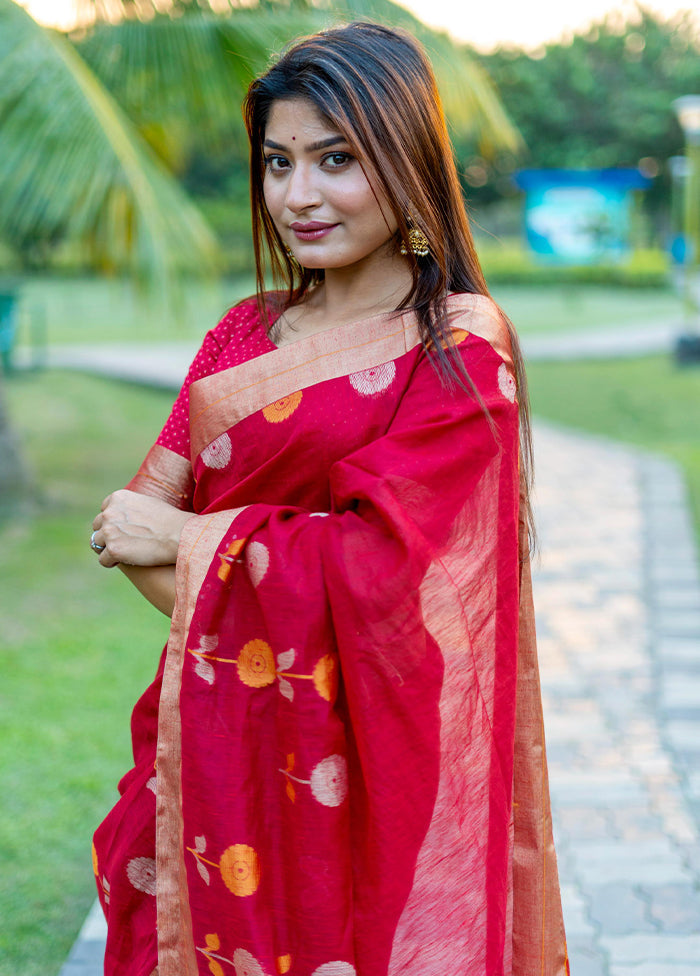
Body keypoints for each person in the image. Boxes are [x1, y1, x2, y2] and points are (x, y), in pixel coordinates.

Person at [90, 21, 568, 976]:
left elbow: (388, 582)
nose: (297, 196)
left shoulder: (458, 349)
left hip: (371, 759)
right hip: (212, 732)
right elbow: (129, 549)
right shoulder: (243, 336)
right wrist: (216, 551)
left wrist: (190, 537)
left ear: (407, 159)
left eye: (336, 159)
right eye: (277, 163)